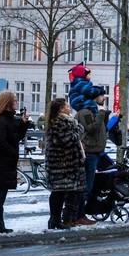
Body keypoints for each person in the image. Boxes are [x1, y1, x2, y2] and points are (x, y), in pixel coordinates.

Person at [0, 91, 29, 234]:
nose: (16, 103)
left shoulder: (7, 119)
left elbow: (15, 137)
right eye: (14, 101)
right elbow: (1, 142)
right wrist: (13, 152)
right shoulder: (2, 121)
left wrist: (23, 124)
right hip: (1, 163)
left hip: (2, 162)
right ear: (8, 103)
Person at [76, 84, 120, 223]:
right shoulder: (86, 112)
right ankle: (79, 215)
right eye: (101, 95)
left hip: (95, 152)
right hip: (89, 152)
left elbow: (102, 129)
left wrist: (107, 116)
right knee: (86, 186)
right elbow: (92, 129)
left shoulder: (94, 111)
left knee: (90, 185)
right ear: (95, 97)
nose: (104, 98)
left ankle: (80, 214)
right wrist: (101, 114)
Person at [45, 96, 88, 229]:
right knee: (59, 193)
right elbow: (69, 140)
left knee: (62, 193)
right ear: (61, 108)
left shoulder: (63, 122)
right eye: (67, 106)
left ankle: (59, 220)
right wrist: (78, 130)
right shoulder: (60, 122)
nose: (69, 108)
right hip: (62, 164)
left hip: (64, 164)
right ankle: (55, 220)